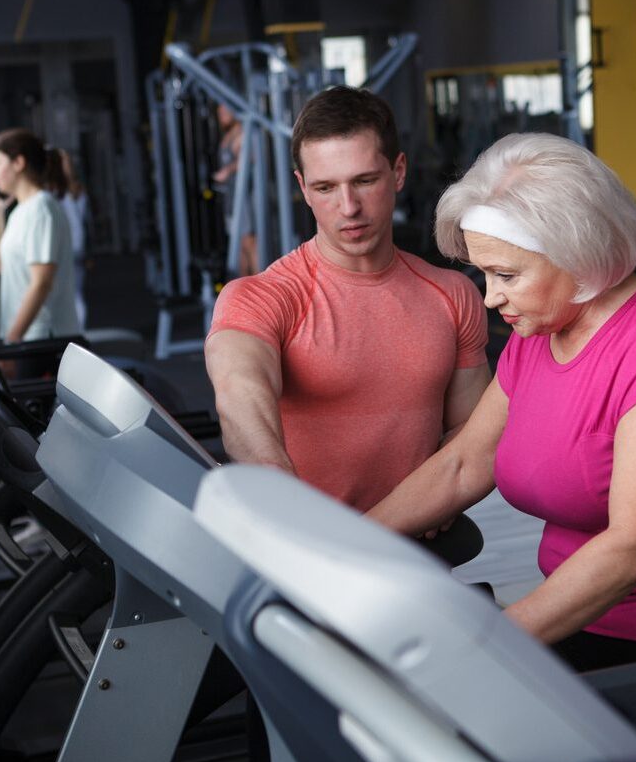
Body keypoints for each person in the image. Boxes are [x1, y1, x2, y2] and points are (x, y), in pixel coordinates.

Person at [367, 132, 636, 690]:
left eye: (507, 276)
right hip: (574, 621)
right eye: (485, 275)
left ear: (579, 257)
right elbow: (464, 463)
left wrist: (487, 643)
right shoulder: (538, 330)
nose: (490, 298)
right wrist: (344, 542)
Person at [205, 85, 490, 515]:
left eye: (364, 181)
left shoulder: (452, 295)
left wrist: (431, 498)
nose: (348, 207)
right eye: (325, 187)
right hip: (302, 544)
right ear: (302, 187)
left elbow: (472, 434)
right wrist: (276, 483)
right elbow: (239, 390)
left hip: (413, 545)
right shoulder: (261, 297)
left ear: (397, 172)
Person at [0, 129, 80, 361]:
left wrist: (12, 341)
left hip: (42, 339)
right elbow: (2, 267)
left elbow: (41, 283)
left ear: (18, 162)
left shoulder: (41, 209)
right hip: (28, 338)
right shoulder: (21, 211)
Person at [213, 104, 258, 278]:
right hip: (231, 198)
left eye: (224, 111)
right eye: (219, 112)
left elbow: (250, 158)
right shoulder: (228, 134)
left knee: (249, 242)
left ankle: (260, 293)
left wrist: (228, 170)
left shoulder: (241, 133)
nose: (221, 115)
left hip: (243, 198)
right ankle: (244, 292)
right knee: (238, 244)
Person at [57, 149, 90, 329]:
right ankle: (78, 330)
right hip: (77, 246)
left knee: (72, 295)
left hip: (67, 248)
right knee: (75, 293)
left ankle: (77, 332)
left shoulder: (57, 193)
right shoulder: (77, 190)